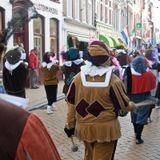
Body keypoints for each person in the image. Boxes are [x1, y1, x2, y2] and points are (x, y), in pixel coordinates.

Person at [64, 40, 135, 160]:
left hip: (84, 128)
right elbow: (124, 106)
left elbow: (71, 104)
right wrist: (132, 106)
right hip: (106, 129)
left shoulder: (78, 78)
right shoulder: (113, 80)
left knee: (89, 156)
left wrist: (70, 124)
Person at [0, 42, 61, 160]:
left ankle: (50, 105)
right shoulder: (22, 66)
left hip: (9, 91)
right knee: (18, 112)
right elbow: (25, 79)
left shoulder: (6, 65)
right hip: (19, 92)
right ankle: (50, 105)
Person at [125, 55, 156, 144]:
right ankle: (138, 137)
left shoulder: (129, 71)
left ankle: (135, 132)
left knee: (134, 115)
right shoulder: (149, 73)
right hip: (144, 97)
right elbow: (153, 84)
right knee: (142, 117)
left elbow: (124, 84)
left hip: (132, 97)